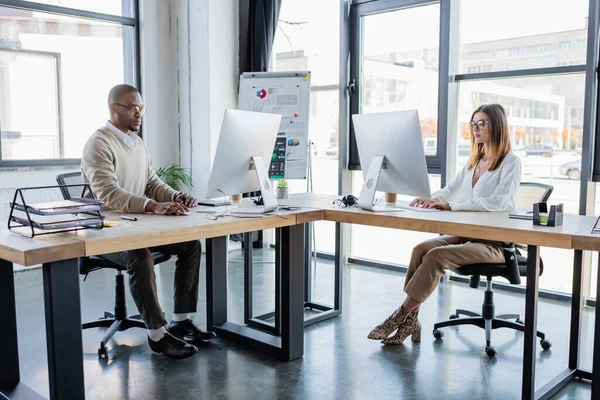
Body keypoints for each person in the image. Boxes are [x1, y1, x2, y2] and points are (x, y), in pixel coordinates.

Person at [367, 103, 521, 345]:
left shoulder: (510, 162)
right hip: (467, 235)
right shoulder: (475, 161)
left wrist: (453, 206)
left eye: (481, 123)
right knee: (420, 249)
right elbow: (451, 190)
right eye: (473, 124)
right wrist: (434, 199)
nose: (475, 129)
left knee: (436, 256)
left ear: (497, 126)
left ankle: (398, 317)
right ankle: (412, 321)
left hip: (496, 244)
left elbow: (500, 201)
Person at [81, 84, 216, 359]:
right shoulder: (99, 144)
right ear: (113, 109)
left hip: (135, 225)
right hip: (104, 232)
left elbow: (151, 182)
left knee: (190, 244)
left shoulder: (137, 142)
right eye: (133, 108)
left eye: (141, 108)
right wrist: (153, 206)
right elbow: (108, 193)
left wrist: (176, 195)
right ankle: (157, 334)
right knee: (140, 258)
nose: (139, 113)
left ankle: (181, 319)